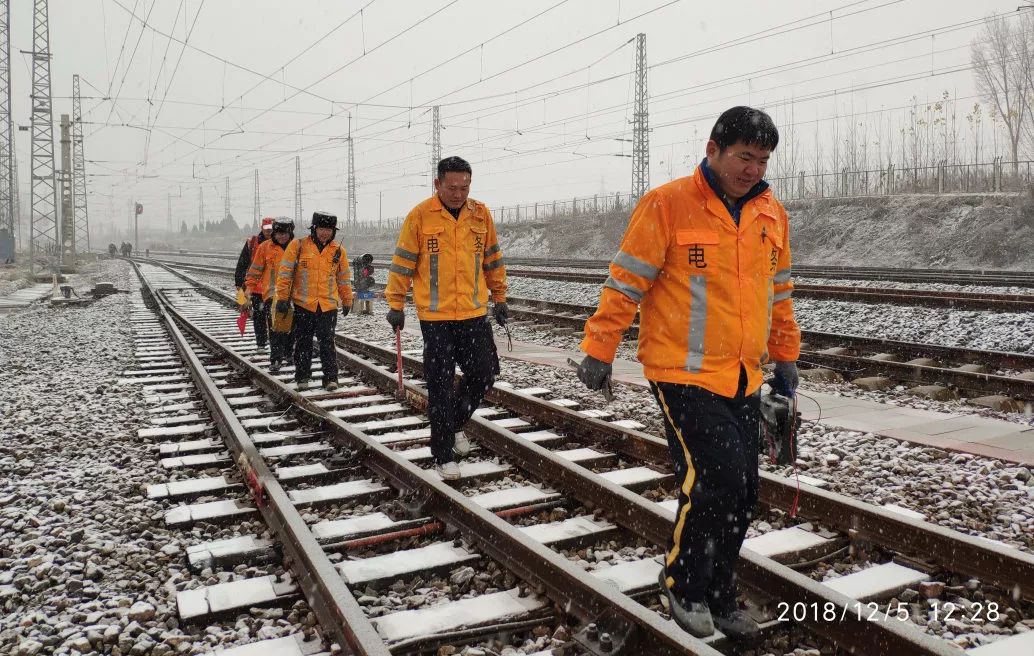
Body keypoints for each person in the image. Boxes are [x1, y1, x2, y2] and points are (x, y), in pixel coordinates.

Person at [575, 106, 800, 640]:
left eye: (762, 159)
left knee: (744, 489)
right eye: (744, 156)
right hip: (681, 370)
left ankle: (720, 593)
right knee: (717, 476)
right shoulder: (669, 204)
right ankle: (682, 582)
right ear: (714, 149)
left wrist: (785, 353)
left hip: (743, 372)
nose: (753, 169)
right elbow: (626, 281)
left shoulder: (772, 213)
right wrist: (600, 347)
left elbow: (780, 291)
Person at [384, 156, 508, 481]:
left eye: (464, 187)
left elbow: (492, 259)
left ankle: (452, 426)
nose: (458, 194)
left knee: (484, 373)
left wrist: (500, 297)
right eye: (452, 187)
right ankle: (442, 455)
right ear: (437, 184)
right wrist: (395, 303)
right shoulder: (420, 216)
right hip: (435, 317)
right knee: (439, 384)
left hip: (473, 312)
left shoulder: (481, 214)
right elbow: (402, 264)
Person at [275, 211, 352, 390]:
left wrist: (347, 299)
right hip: (304, 304)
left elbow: (343, 278)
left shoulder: (338, 251)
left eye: (329, 229)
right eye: (322, 229)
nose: (325, 233)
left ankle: (331, 378)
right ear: (314, 229)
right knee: (303, 342)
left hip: (328, 305)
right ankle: (302, 377)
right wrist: (282, 298)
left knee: (327, 342)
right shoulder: (299, 245)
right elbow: (285, 274)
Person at [245, 218, 295, 372]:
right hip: (272, 293)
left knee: (292, 327)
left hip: (294, 294)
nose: (282, 237)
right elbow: (255, 270)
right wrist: (248, 289)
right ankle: (276, 358)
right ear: (274, 232)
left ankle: (288, 353)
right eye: (279, 233)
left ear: (290, 232)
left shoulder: (297, 247)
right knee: (275, 327)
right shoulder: (264, 247)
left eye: (285, 233)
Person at [236, 218, 274, 346]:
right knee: (259, 318)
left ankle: (276, 345)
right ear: (262, 228)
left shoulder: (279, 243)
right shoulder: (252, 243)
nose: (269, 231)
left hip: (273, 289)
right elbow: (242, 264)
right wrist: (240, 286)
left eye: (272, 228)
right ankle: (261, 344)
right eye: (267, 228)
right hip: (257, 289)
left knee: (274, 319)